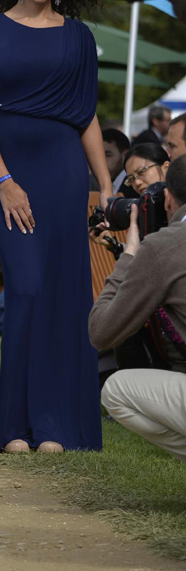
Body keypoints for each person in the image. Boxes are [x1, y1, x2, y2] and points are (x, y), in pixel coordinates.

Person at [0, 0, 110, 454]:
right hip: (12, 173)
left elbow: (86, 116)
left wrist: (105, 182)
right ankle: (14, 426)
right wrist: (3, 181)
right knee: (25, 289)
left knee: (63, 297)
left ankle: (55, 427)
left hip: (65, 174)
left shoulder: (79, 37)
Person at [95, 156, 186, 462]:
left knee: (116, 390)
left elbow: (101, 332)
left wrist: (130, 255)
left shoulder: (165, 245)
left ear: (168, 198)